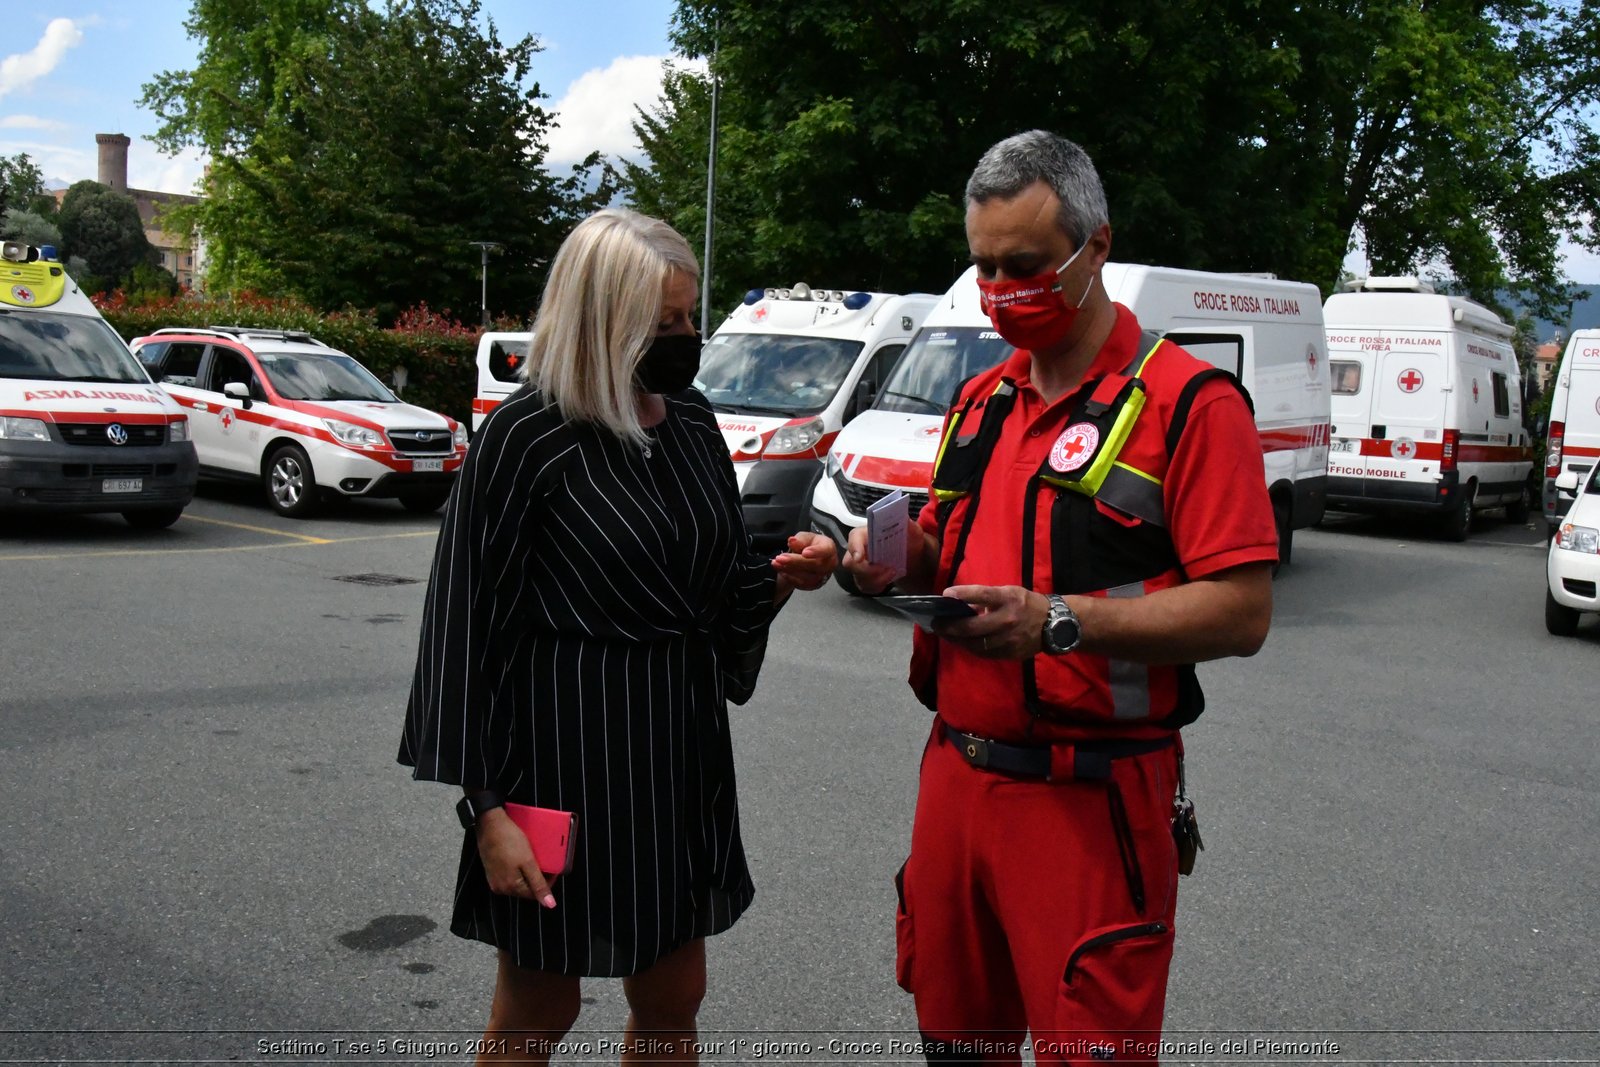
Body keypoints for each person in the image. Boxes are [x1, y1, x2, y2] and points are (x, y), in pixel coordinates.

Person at [841, 131, 1276, 1064]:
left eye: (1026, 265)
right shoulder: (980, 401)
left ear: (1097, 247)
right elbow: (943, 546)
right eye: (986, 266)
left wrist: (1058, 623)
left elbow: (1241, 610)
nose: (1001, 289)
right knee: (957, 1043)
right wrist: (887, 559)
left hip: (1091, 799)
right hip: (955, 780)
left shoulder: (1192, 405)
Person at [399, 207, 837, 1065]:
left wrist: (788, 574)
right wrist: (485, 809)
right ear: (604, 322)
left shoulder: (696, 426)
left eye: (688, 318)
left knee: (676, 997)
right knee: (537, 1009)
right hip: (557, 763)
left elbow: (720, 588)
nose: (683, 339)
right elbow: (462, 629)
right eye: (661, 323)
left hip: (676, 758)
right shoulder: (526, 437)